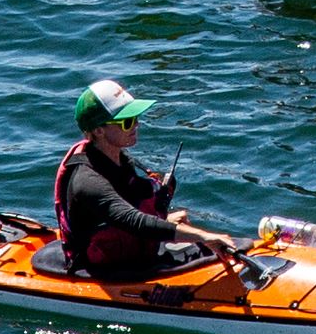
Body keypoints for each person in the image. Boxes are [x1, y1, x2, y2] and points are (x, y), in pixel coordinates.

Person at [53, 78, 239, 280]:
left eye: (135, 117)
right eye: (127, 121)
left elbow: (128, 214)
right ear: (99, 130)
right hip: (102, 270)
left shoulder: (120, 161)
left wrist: (164, 221)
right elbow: (132, 220)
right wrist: (203, 236)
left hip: (133, 254)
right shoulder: (86, 181)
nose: (136, 125)